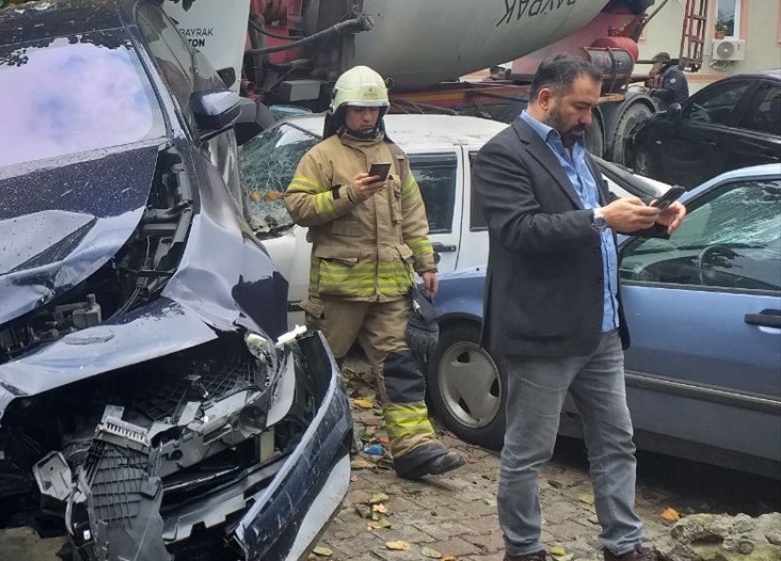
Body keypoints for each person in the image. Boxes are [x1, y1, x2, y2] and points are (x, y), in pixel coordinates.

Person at [472, 54, 686, 561]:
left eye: (593, 107)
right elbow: (518, 231)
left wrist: (656, 217)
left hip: (603, 328)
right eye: (581, 107)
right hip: (544, 334)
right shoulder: (503, 153)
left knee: (616, 443)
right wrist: (599, 217)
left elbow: (609, 216)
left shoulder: (579, 149)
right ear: (545, 99)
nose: (589, 118)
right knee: (529, 453)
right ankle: (523, 551)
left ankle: (624, 545)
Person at [284, 65, 466, 481]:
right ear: (342, 110)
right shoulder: (322, 156)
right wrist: (349, 195)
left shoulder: (395, 156)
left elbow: (413, 217)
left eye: (375, 109)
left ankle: (415, 449)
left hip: (390, 288)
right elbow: (296, 207)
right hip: (339, 289)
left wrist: (427, 264)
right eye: (359, 110)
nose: (368, 117)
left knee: (400, 366)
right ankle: (308, 449)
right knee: (322, 371)